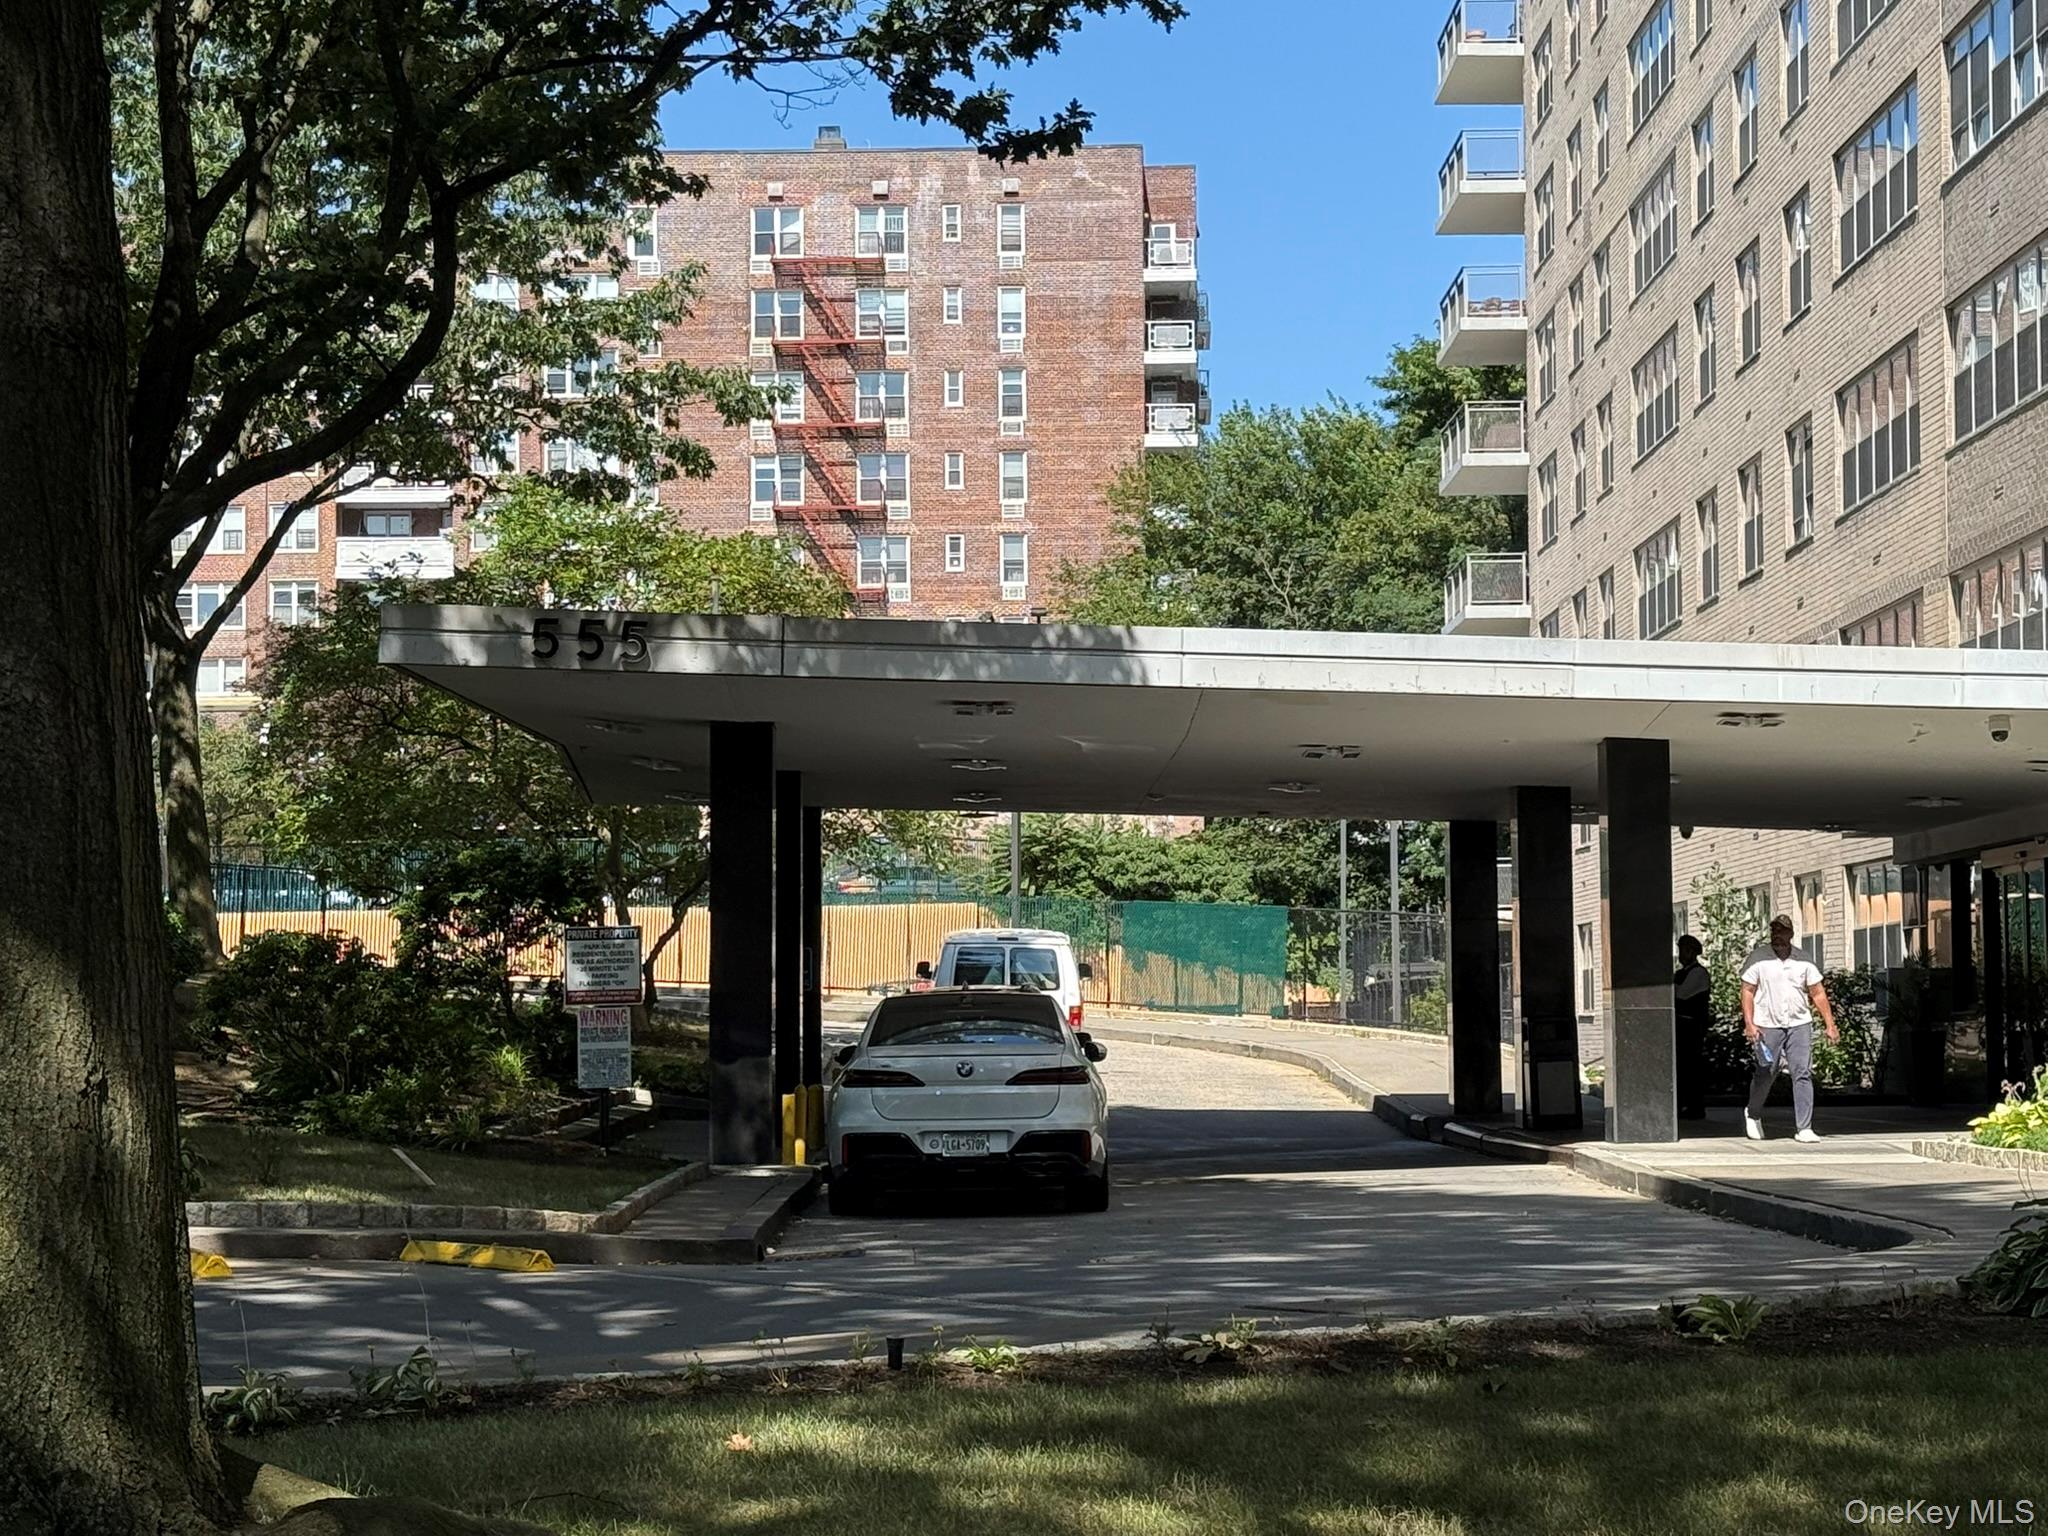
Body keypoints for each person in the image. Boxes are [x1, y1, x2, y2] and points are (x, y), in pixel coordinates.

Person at [1740, 914, 1838, 1142]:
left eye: (1782, 931)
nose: (1777, 935)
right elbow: (1747, 991)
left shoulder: (1803, 960)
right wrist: (1749, 1023)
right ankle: (1752, 1113)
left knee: (1802, 1072)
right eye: (1774, 931)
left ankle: (1804, 1127)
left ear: (1791, 934)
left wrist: (1830, 1024)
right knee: (1767, 1070)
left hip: (1798, 1023)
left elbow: (1817, 992)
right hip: (1768, 1024)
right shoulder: (1759, 958)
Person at [1673, 935, 1711, 1121]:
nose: (1682, 954)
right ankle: (1683, 1104)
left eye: (1686, 950)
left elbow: (1681, 994)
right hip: (1681, 1027)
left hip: (1692, 1027)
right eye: (1681, 949)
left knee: (1691, 1068)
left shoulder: (1698, 973)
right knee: (1682, 1068)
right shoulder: (1681, 973)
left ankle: (1694, 1106)